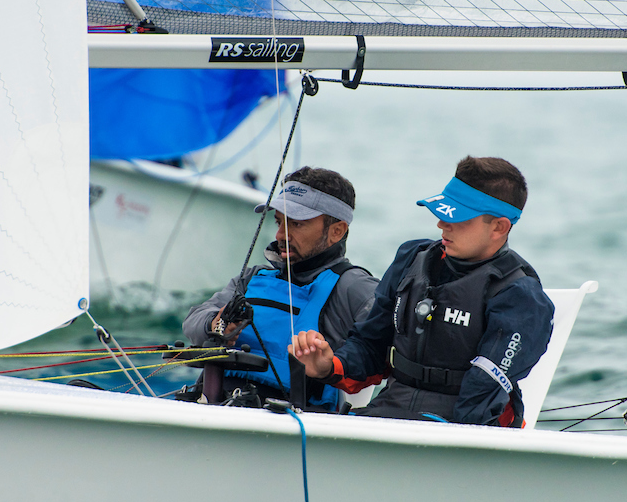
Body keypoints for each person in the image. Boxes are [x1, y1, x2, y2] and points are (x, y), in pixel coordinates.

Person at [290, 156, 555, 427]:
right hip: (390, 409)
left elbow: (482, 396)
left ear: (499, 227)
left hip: (463, 426)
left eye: (457, 217)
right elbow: (370, 345)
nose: (441, 224)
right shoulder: (411, 257)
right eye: (442, 211)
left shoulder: (521, 296)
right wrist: (328, 365)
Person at [183, 167, 379, 411]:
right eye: (278, 222)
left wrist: (330, 364)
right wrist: (216, 323)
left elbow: (381, 351)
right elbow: (192, 321)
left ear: (336, 231)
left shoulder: (355, 287)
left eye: (296, 224)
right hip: (213, 405)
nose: (280, 235)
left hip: (289, 424)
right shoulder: (252, 277)